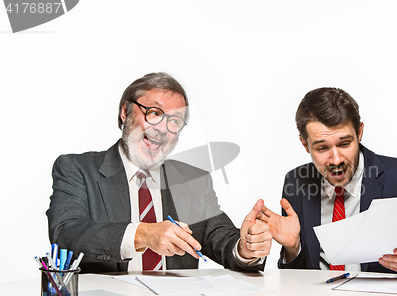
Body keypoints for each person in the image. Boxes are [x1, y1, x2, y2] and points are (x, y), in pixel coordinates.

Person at [47, 72, 272, 273]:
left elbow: (221, 238)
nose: (162, 129)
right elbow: (66, 234)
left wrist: (246, 247)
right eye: (154, 113)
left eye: (174, 121)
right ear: (125, 111)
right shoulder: (77, 169)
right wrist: (143, 234)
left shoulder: (193, 180)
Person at [259, 87, 397, 277]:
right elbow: (296, 280)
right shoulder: (296, 182)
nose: (336, 160)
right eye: (322, 148)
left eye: (344, 144)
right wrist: (292, 248)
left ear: (359, 132)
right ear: (305, 144)